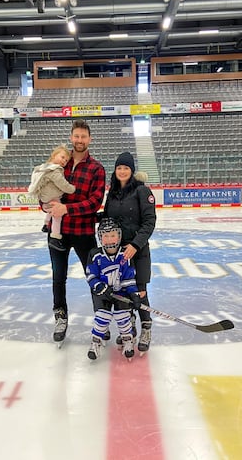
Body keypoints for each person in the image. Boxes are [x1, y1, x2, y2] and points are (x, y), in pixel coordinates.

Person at [46, 119, 106, 344]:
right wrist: (46, 206)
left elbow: (94, 203)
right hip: (57, 232)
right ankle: (60, 318)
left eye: (84, 137)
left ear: (89, 140)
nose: (79, 140)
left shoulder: (97, 169)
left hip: (83, 232)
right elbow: (44, 189)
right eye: (76, 136)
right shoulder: (59, 164)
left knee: (94, 277)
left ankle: (101, 318)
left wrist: (66, 209)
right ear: (71, 137)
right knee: (58, 278)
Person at [102, 151, 156, 353]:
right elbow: (107, 217)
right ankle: (130, 326)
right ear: (115, 171)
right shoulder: (113, 193)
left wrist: (135, 245)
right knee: (124, 291)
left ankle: (146, 328)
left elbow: (149, 222)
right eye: (119, 168)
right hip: (118, 254)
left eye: (126, 168)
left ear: (132, 171)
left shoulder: (142, 191)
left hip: (138, 251)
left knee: (140, 292)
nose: (122, 171)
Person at [86, 218, 141, 360]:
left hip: (120, 293)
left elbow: (129, 277)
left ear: (119, 235)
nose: (109, 239)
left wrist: (134, 294)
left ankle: (128, 340)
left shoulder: (125, 254)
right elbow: (91, 275)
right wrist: (100, 286)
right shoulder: (95, 254)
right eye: (105, 235)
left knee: (123, 317)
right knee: (102, 317)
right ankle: (95, 342)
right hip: (102, 293)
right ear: (100, 237)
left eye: (112, 235)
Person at [28, 145, 75, 252]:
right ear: (54, 155)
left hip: (45, 197)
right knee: (57, 216)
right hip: (52, 196)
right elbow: (62, 184)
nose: (64, 161)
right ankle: (55, 236)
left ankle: (45, 224)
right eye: (62, 157)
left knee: (51, 209)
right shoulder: (54, 170)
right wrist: (72, 189)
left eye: (66, 160)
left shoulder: (43, 168)